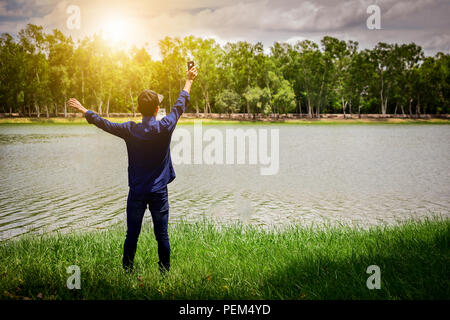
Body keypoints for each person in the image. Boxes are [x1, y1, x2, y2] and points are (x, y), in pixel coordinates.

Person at [68, 66, 198, 274]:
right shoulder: (165, 126)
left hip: (137, 191)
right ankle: (164, 273)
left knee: (132, 234)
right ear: (157, 110)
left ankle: (127, 271)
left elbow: (104, 123)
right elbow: (179, 106)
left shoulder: (130, 130)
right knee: (162, 235)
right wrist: (189, 80)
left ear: (139, 109)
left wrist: (85, 110)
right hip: (159, 192)